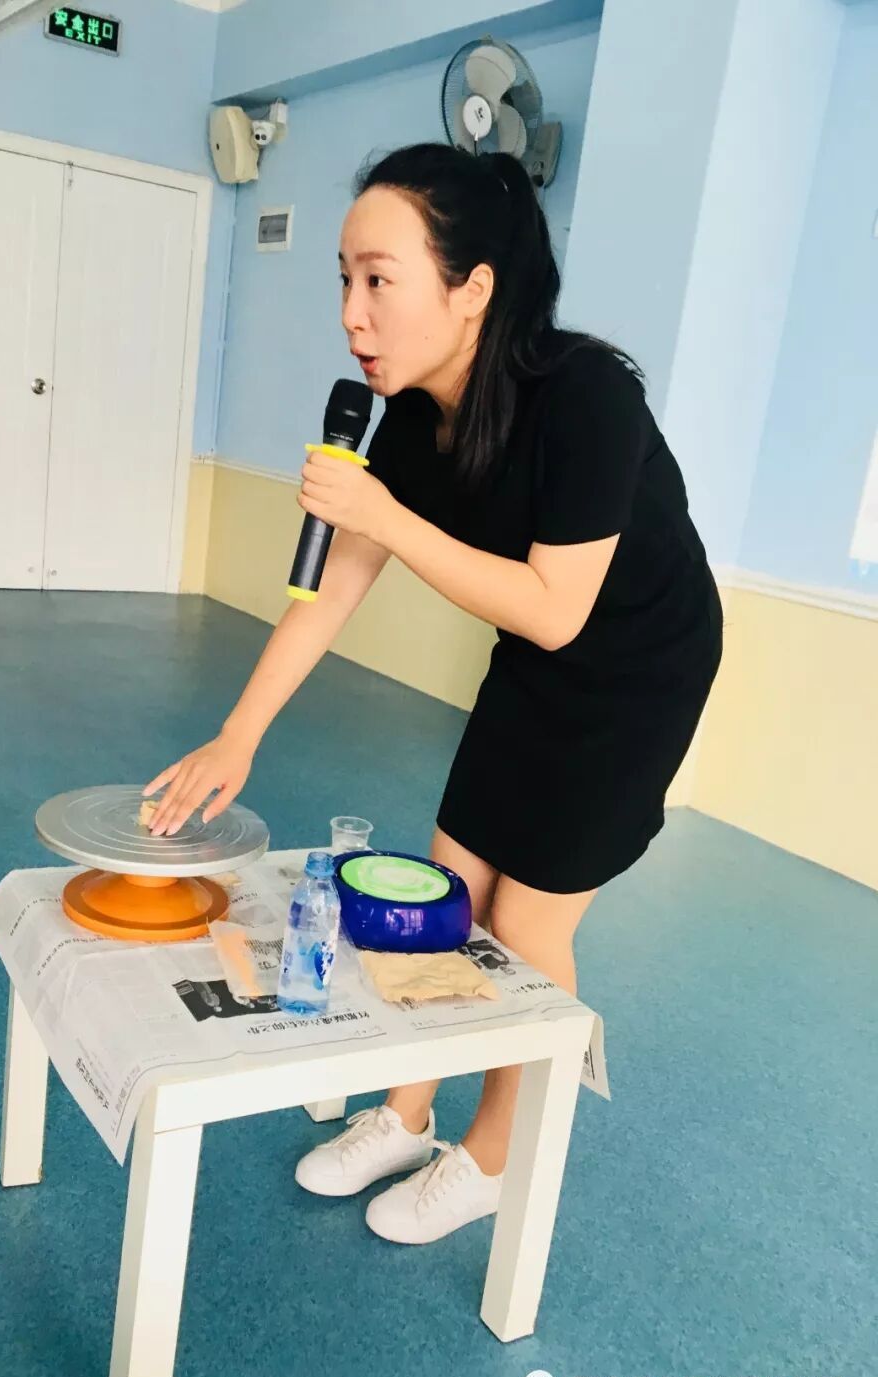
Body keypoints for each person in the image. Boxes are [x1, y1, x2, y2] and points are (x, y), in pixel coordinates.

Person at [143, 142, 723, 1245]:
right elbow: (333, 588)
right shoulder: (409, 418)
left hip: (640, 673)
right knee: (442, 890)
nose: (352, 314)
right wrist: (238, 732)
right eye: (344, 280)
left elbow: (557, 607)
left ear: (472, 289)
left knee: (524, 921)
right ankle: (407, 1112)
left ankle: (494, 1155)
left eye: (379, 279)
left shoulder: (587, 396)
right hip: (536, 658)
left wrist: (385, 515)